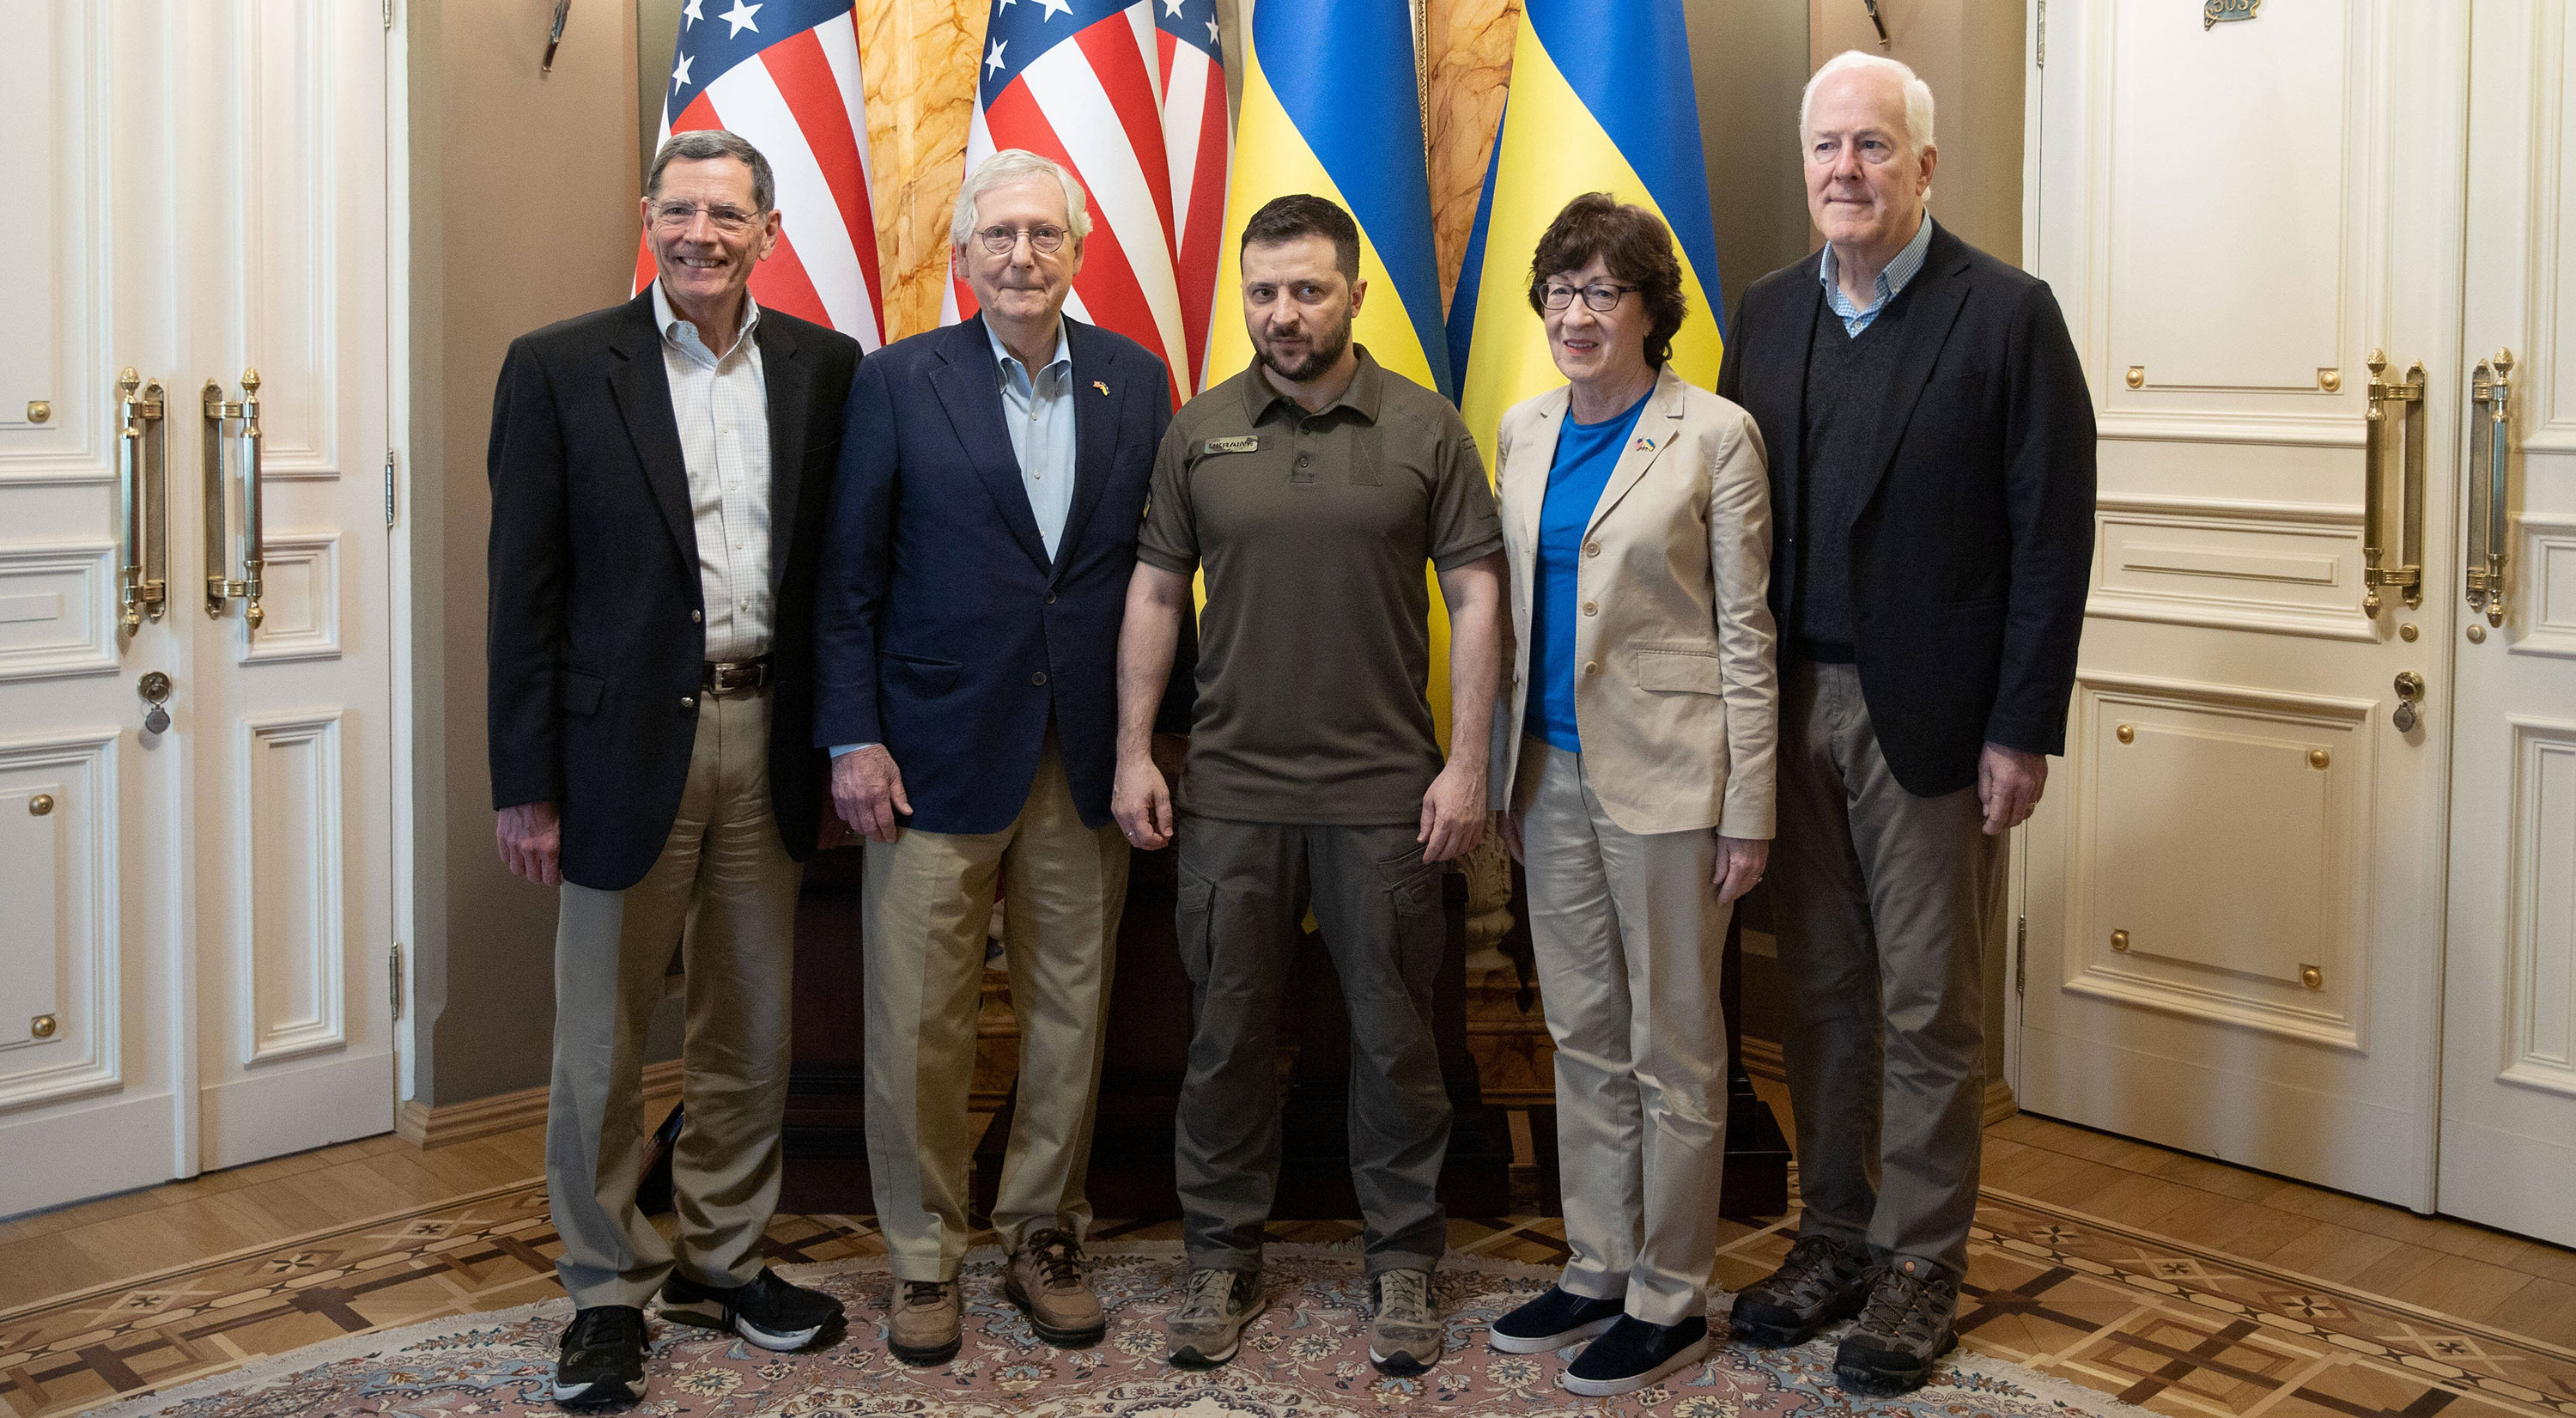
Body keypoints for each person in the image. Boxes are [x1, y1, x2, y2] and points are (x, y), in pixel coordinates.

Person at [1715, 51, 2095, 1392]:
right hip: (1789, 704)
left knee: (1929, 1005)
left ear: (1925, 165)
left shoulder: (2009, 315)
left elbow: (2053, 537)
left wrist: (2022, 725)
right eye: (1827, 147)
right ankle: (1835, 1235)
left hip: (1933, 719)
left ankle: (1923, 1262)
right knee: (1819, 994)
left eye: (1873, 146)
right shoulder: (1766, 313)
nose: (1846, 170)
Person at [486, 129, 860, 1406]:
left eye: (729, 214)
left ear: (770, 231)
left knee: (751, 1023)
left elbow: (836, 574)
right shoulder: (556, 367)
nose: (702, 234)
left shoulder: (823, 367)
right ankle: (605, 1286)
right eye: (681, 210)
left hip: (770, 734)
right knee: (601, 1037)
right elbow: (522, 592)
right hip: (615, 750)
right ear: (649, 217)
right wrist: (524, 782)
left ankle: (722, 1257)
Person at [1110, 194, 1505, 1378]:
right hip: (1230, 793)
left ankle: (1404, 1260)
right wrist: (1134, 749)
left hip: (1386, 793)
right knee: (1225, 1039)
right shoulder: (1199, 431)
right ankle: (1219, 1256)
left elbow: (1478, 594)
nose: (1283, 314)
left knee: (1394, 1043)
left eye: (1307, 290)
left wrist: (1470, 762)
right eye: (1264, 292)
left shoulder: (1427, 428)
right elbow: (1153, 592)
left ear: (1355, 295)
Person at [812, 149, 1186, 1368]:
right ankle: (925, 1254)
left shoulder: (1137, 380)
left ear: (1078, 250)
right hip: (928, 755)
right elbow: (849, 576)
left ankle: (1043, 1231)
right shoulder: (896, 381)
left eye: (1044, 234)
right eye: (999, 237)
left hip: (1085, 752)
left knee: (1072, 1012)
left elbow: (1158, 573)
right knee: (919, 1021)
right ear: (965, 255)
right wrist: (853, 735)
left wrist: (1149, 740)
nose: (1022, 256)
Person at [1479, 194, 1777, 1397]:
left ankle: (1669, 1294)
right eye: (1561, 290)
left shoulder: (1716, 435)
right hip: (1545, 774)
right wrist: (1496, 769)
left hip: (1673, 783)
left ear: (1653, 310)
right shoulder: (1521, 428)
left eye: (1604, 292)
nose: (1577, 314)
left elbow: (1746, 632)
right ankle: (1597, 1263)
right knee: (1583, 1035)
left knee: (1675, 1048)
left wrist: (1749, 805)